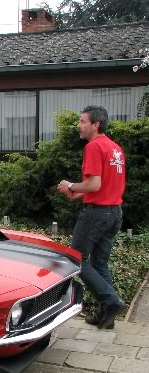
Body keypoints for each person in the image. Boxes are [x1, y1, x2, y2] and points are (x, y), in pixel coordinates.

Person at [58, 105, 125, 330]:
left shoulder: (94, 147)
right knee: (99, 263)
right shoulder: (115, 148)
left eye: (82, 121)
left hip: (96, 214)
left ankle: (111, 301)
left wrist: (70, 185)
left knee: (75, 259)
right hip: (114, 213)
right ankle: (107, 315)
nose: (79, 125)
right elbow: (103, 185)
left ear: (95, 125)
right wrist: (79, 194)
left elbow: (94, 184)